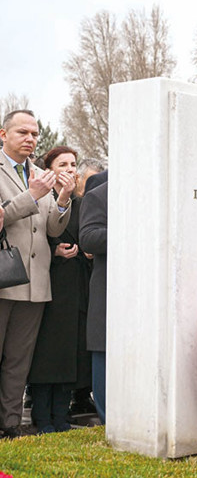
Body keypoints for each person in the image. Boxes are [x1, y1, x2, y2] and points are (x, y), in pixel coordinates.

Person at [0, 110, 73, 439]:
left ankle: (11, 424)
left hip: (35, 284)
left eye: (35, 133)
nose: (30, 139)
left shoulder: (42, 174)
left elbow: (53, 229)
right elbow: (4, 216)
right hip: (4, 280)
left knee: (19, 362)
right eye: (22, 132)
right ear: (4, 135)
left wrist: (62, 199)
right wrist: (33, 195)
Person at [26, 147, 92, 434]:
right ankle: (41, 415)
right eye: (62, 164)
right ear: (48, 169)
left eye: (73, 164)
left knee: (68, 352)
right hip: (46, 283)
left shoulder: (83, 203)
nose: (69, 169)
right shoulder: (41, 199)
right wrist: (55, 251)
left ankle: (61, 414)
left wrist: (84, 251)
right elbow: (34, 235)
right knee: (45, 353)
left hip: (74, 286)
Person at [79, 179, 108, 423]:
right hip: (109, 289)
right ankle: (108, 417)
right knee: (105, 351)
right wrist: (130, 231)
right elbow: (88, 237)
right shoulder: (98, 195)